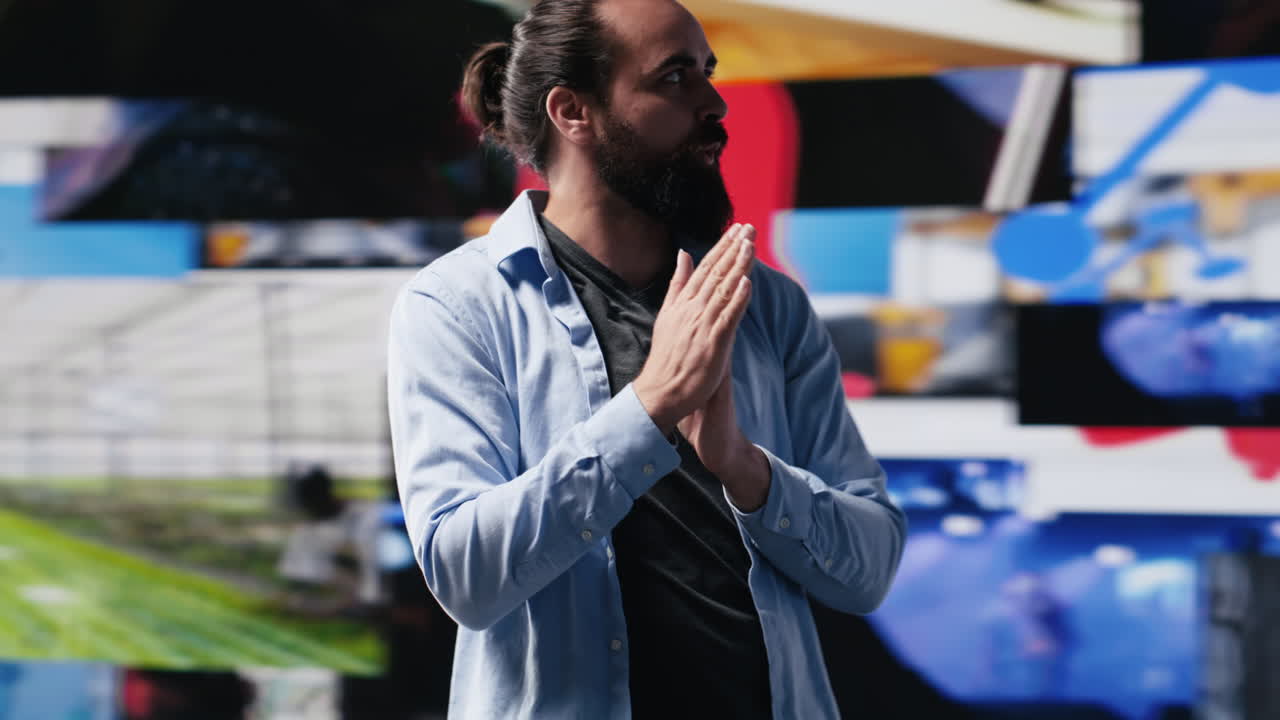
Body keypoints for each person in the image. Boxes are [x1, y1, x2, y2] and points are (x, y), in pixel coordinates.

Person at [386, 0, 906, 717]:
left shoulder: (770, 305)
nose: (715, 102)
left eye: (708, 72)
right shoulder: (454, 305)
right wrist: (648, 407)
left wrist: (745, 470)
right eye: (675, 78)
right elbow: (465, 575)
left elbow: (869, 571)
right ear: (573, 111)